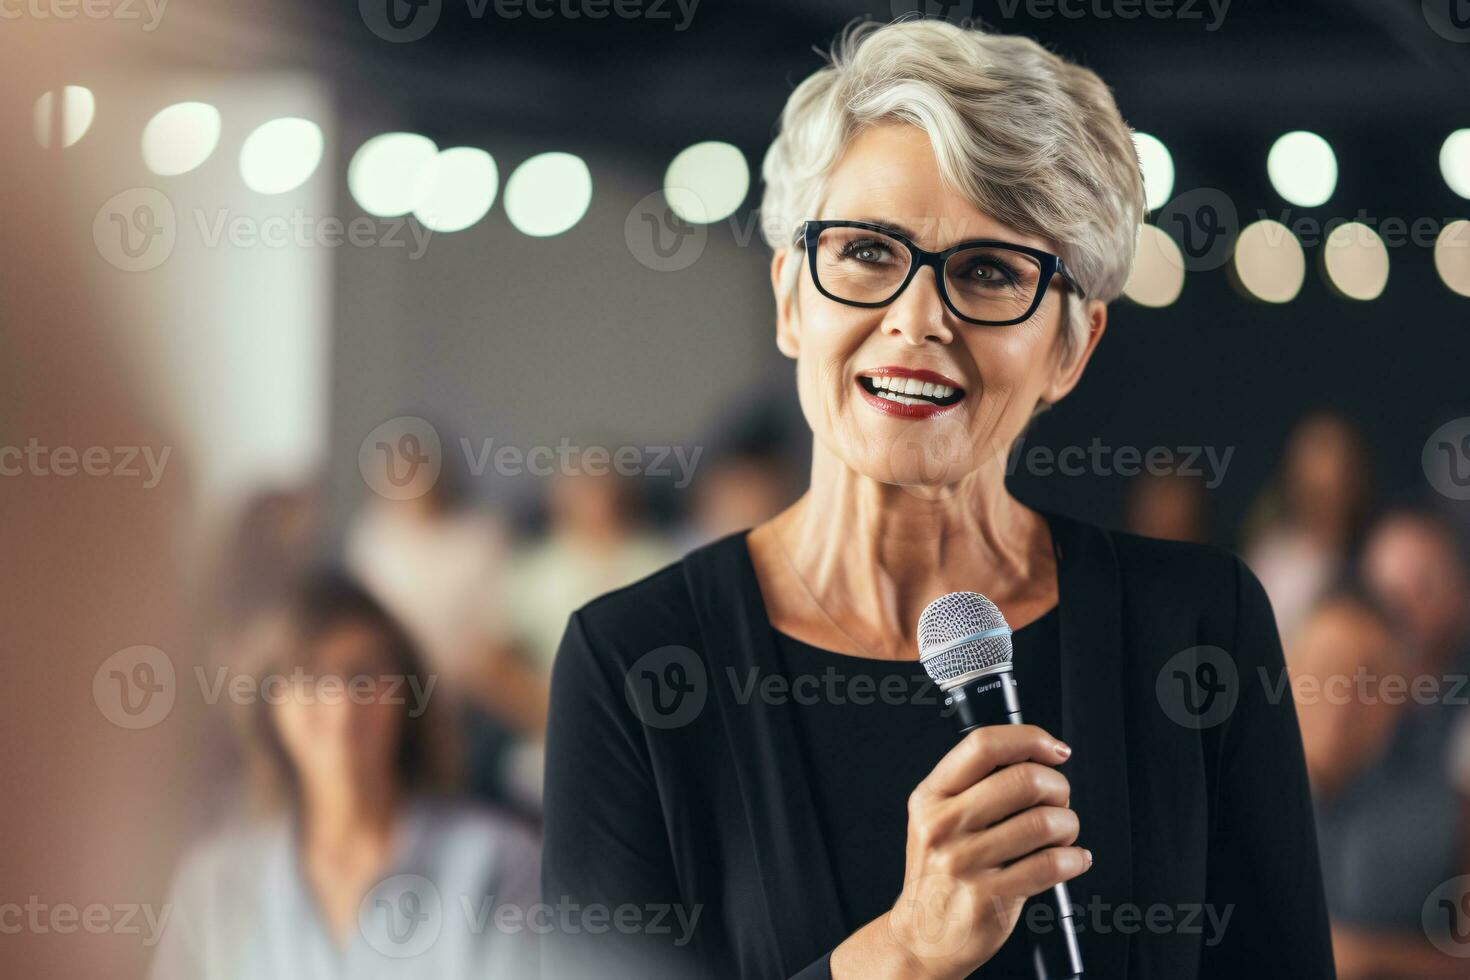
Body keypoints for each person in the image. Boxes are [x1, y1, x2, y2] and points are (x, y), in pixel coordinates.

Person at [542, 19, 1332, 980]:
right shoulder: (635, 663)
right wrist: (905, 951)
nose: (919, 319)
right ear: (792, 296)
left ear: (1072, 348)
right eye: (869, 252)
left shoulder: (1197, 626)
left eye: (990, 271)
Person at [149, 572, 540, 980]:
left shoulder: (496, 865)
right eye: (310, 677)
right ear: (269, 705)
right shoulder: (215, 886)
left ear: (406, 698)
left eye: (363, 677)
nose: (341, 708)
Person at [1293, 589, 1470, 979]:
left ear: (1404, 693)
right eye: (1325, 671)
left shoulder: (1452, 814)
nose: (1341, 699)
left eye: (1369, 680)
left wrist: (1367, 959)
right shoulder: (1226, 805)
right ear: (1287, 672)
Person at [1243, 411, 1370, 650]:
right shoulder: (1273, 561)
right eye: (1317, 492)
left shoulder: (1377, 561)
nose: (1328, 503)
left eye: (1339, 485)